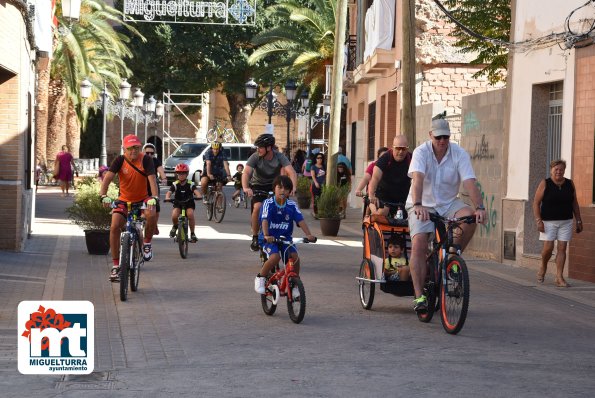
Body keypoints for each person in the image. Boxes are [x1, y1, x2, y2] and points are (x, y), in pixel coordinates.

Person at [407, 118, 486, 313]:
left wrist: (480, 207)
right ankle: (419, 297)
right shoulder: (421, 152)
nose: (442, 141)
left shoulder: (459, 153)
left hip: (449, 203)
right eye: (438, 137)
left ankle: (452, 257)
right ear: (430, 136)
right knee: (419, 244)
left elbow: (469, 182)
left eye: (446, 137)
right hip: (422, 204)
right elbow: (417, 179)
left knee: (469, 217)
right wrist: (418, 204)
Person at [100, 135, 159, 281]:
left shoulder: (146, 159)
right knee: (114, 226)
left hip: (142, 199)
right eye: (130, 148)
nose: (133, 150)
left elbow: (152, 180)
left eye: (136, 147)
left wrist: (154, 198)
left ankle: (147, 243)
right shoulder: (120, 160)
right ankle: (115, 266)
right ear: (124, 148)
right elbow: (107, 178)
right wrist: (103, 195)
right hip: (124, 200)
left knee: (151, 214)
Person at [254, 175, 316, 294]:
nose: (283, 190)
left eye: (286, 189)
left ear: (289, 191)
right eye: (280, 187)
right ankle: (260, 277)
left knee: (295, 257)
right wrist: (267, 235)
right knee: (274, 257)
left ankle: (294, 284)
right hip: (269, 239)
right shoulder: (268, 203)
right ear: (274, 188)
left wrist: (309, 235)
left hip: (286, 239)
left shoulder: (291, 205)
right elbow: (264, 220)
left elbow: (300, 220)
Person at [533, 159, 583, 287]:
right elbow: (536, 203)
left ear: (564, 170)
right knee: (548, 248)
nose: (559, 171)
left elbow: (574, 203)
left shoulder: (569, 184)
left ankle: (559, 277)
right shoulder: (545, 183)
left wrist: (578, 220)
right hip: (548, 221)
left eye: (561, 169)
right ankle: (543, 266)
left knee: (562, 248)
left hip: (566, 221)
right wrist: (539, 221)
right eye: (556, 169)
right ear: (551, 170)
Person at [243, 133, 296, 252]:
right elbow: (246, 173)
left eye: (260, 147)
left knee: (282, 209)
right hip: (258, 185)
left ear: (269, 148)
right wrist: (246, 187)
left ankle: (283, 234)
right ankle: (255, 237)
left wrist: (293, 187)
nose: (258, 150)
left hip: (274, 186)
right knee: (257, 207)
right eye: (257, 147)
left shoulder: (279, 156)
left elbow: (291, 172)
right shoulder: (255, 156)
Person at [368, 135, 411, 217]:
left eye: (404, 149)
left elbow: (419, 179)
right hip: (384, 195)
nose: (401, 152)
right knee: (381, 213)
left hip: (403, 196)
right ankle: (370, 210)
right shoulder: (385, 158)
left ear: (407, 149)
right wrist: (371, 195)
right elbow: (375, 178)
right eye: (398, 148)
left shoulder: (411, 158)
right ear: (393, 148)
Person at [166, 163, 200, 243]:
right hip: (178, 203)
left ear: (187, 174)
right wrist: (167, 197)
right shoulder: (175, 184)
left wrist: (198, 196)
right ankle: (175, 226)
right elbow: (169, 192)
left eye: (183, 173)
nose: (181, 175)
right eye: (179, 173)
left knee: (190, 214)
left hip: (189, 203)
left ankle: (192, 233)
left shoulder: (190, 184)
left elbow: (196, 192)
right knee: (174, 215)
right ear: (177, 174)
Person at [355, 147, 389, 215]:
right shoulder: (373, 165)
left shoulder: (392, 166)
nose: (384, 160)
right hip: (373, 195)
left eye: (386, 157)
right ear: (378, 158)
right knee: (377, 213)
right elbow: (366, 178)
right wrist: (358, 189)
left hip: (388, 196)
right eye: (382, 157)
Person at [143, 143, 167, 235]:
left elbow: (160, 170)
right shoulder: (140, 160)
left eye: (151, 153)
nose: (149, 155)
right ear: (143, 152)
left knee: (156, 207)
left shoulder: (156, 161)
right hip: (142, 186)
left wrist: (164, 178)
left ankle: (154, 224)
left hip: (153, 186)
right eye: (147, 153)